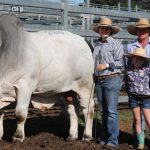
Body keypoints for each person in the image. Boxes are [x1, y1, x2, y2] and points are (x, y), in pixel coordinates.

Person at [91, 16, 124, 148]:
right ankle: (104, 137)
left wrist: (106, 65)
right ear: (99, 29)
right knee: (103, 111)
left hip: (112, 78)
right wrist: (94, 73)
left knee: (111, 111)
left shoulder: (116, 44)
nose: (103, 30)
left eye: (106, 28)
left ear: (110, 30)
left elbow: (120, 63)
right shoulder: (97, 44)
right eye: (101, 28)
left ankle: (113, 140)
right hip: (99, 80)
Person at [126, 17, 150, 147]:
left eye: (144, 29)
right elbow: (127, 67)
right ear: (136, 32)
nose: (142, 32)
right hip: (135, 93)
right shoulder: (130, 47)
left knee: (148, 118)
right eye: (139, 30)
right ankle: (139, 141)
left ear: (148, 31)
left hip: (147, 91)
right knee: (137, 119)